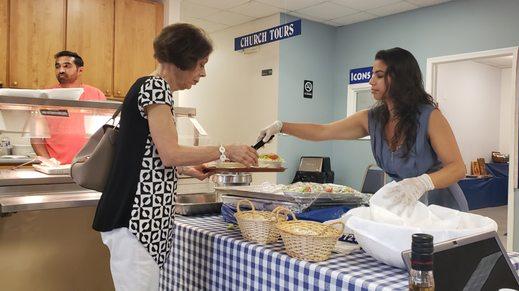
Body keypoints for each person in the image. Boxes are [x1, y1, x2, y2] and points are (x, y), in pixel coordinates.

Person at [92, 23, 258, 290]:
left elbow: (147, 155)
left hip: (137, 220)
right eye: (201, 64)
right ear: (184, 59)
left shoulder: (146, 86)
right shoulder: (156, 87)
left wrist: (189, 169)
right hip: (135, 220)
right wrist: (226, 149)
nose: (203, 73)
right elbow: (169, 153)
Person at [257, 47, 468, 211]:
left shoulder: (429, 116)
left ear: (398, 77)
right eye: (371, 74)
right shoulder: (372, 118)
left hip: (441, 206)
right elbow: (323, 131)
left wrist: (422, 183)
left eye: (378, 75)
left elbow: (457, 168)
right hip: (405, 206)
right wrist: (281, 126)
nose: (371, 81)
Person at [30, 51, 107, 164]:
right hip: (56, 166)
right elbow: (36, 139)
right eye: (57, 66)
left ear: (80, 70)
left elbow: (105, 135)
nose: (61, 70)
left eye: (67, 66)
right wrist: (49, 163)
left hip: (88, 166)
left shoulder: (97, 95)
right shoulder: (46, 96)